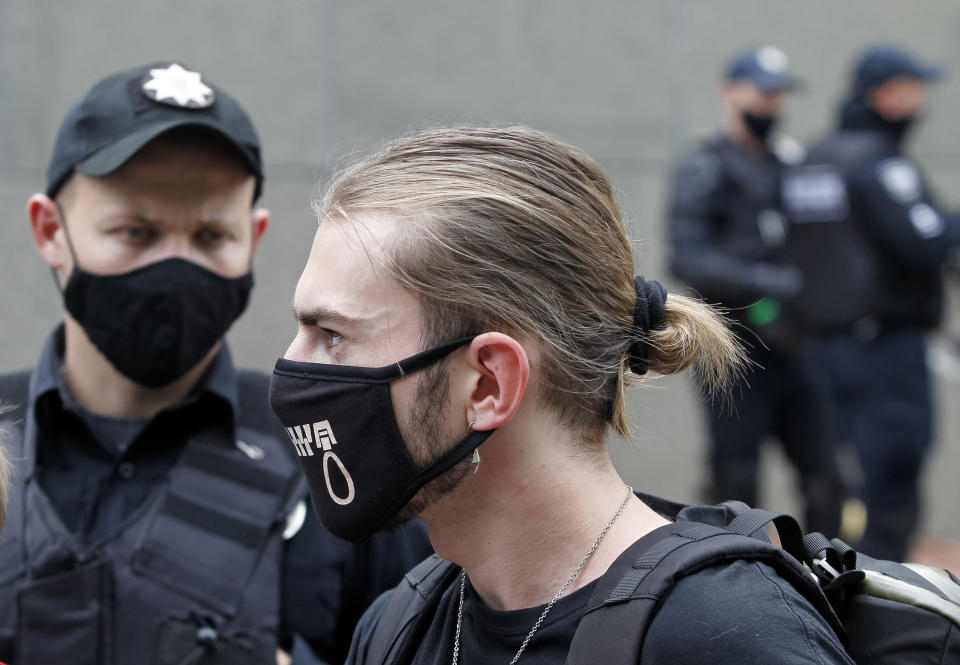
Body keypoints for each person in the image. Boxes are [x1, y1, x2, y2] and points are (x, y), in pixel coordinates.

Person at [268, 125, 854, 664]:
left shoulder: (727, 635)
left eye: (332, 336)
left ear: (488, 384)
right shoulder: (400, 624)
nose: (292, 366)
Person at [0, 62, 431, 665]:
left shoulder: (335, 456)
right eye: (135, 232)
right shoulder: (4, 439)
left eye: (210, 237)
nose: (176, 266)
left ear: (253, 238)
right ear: (51, 229)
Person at [781, 45, 960, 561]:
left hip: (820, 347)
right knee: (891, 471)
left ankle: (829, 582)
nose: (921, 102)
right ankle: (880, 597)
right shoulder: (878, 164)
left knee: (838, 476)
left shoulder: (811, 160)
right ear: (888, 94)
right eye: (915, 90)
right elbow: (926, 242)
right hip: (885, 351)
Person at [666, 46, 846, 535]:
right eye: (764, 93)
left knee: (827, 475)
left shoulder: (791, 164)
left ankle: (830, 583)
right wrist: (770, 286)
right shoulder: (705, 167)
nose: (772, 105)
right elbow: (689, 259)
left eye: (780, 95)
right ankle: (738, 581)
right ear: (731, 92)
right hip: (735, 347)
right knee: (737, 479)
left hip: (796, 343)